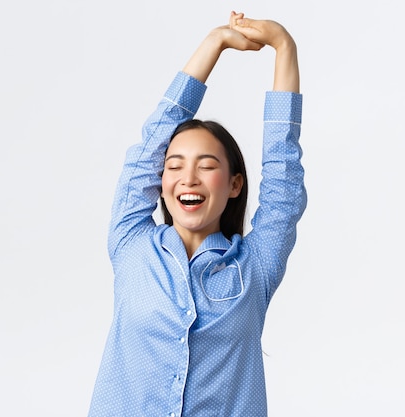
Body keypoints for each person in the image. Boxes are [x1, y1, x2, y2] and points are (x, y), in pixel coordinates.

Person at [88, 11, 306, 416]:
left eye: (206, 166)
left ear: (234, 184)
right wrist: (213, 44)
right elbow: (148, 147)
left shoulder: (255, 266)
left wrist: (283, 47)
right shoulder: (131, 244)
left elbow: (283, 183)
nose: (189, 178)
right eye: (174, 165)